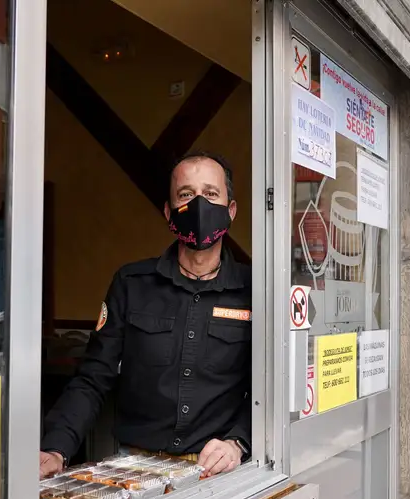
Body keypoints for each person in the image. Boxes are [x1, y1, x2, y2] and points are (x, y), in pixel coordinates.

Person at [39, 150, 251, 479]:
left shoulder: (252, 291)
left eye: (210, 194)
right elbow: (93, 377)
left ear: (231, 210)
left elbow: (267, 386)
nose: (198, 205)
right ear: (169, 213)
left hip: (216, 471)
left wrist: (238, 442)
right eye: (186, 195)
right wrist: (56, 447)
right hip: (134, 469)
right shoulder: (131, 284)